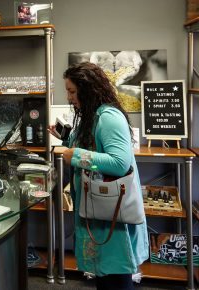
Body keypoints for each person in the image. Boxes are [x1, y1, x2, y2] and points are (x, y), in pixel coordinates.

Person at [50, 62, 149, 290]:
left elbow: (119, 163)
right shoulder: (93, 115)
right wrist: (65, 139)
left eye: (72, 91)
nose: (69, 97)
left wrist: (76, 156)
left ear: (88, 89)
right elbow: (94, 146)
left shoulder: (108, 117)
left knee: (116, 277)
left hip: (112, 216)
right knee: (106, 276)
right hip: (101, 212)